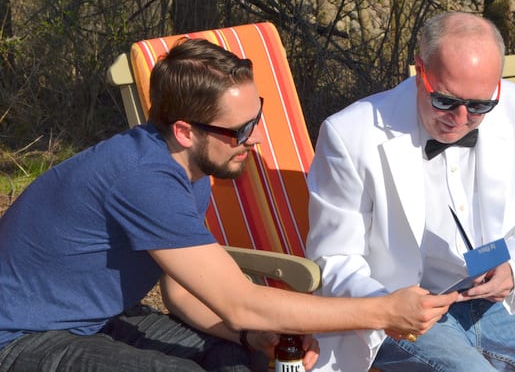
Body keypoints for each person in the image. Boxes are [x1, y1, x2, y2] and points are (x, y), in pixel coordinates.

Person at [0, 38, 458, 372]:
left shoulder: (189, 167)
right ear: (185, 131)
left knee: (240, 358)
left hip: (94, 317)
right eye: (239, 131)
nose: (255, 138)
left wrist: (247, 335)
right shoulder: (141, 179)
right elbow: (240, 302)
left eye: (255, 117)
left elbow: (182, 291)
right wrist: (383, 311)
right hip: (20, 335)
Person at [305, 12, 515, 371]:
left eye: (478, 106)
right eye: (444, 101)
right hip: (399, 313)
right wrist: (389, 307)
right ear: (419, 70)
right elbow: (333, 259)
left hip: (492, 304)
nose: (459, 119)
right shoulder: (350, 134)